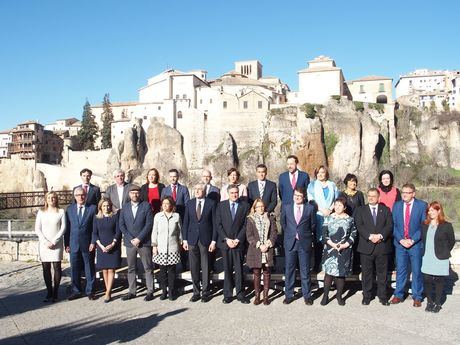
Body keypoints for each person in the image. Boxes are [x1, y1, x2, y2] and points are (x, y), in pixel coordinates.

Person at [354, 188, 393, 306]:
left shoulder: (385, 210)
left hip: (382, 247)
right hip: (366, 246)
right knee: (367, 273)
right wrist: (370, 236)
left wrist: (380, 236)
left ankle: (383, 296)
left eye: (373, 196)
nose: (371, 198)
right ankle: (367, 296)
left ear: (378, 197)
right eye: (369, 196)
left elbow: (389, 225)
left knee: (382, 274)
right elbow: (359, 225)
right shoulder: (361, 210)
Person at [391, 183, 427, 307]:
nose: (404, 194)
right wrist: (401, 240)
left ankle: (417, 296)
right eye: (403, 192)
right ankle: (398, 294)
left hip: (415, 244)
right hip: (400, 244)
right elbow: (393, 225)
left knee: (417, 270)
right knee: (401, 270)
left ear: (413, 193)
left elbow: (423, 225)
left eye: (407, 192)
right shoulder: (396, 205)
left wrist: (412, 240)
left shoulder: (422, 205)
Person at [119, 185, 155, 302]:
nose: (135, 195)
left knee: (148, 267)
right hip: (130, 243)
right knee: (131, 268)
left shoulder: (146, 206)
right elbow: (122, 225)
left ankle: (150, 291)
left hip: (143, 242)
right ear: (129, 194)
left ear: (140, 194)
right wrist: (130, 238)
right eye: (132, 193)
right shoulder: (124, 207)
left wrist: (139, 238)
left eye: (137, 193)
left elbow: (149, 224)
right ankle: (132, 291)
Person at [216, 184, 251, 304]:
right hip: (226, 243)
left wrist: (238, 239)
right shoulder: (221, 206)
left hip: (238, 243)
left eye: (236, 192)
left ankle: (241, 293)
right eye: (232, 193)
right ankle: (228, 294)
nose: (234, 195)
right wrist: (227, 239)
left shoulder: (245, 206)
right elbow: (218, 225)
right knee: (227, 269)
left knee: (239, 269)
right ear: (228, 194)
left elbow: (246, 225)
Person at [182, 183, 217, 303]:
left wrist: (213, 241)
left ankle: (205, 292)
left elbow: (215, 224)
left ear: (204, 191)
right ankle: (196, 292)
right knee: (194, 267)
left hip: (205, 239)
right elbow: (185, 222)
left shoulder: (211, 203)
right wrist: (185, 240)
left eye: (200, 189)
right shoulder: (190, 203)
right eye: (195, 189)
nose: (197, 191)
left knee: (205, 266)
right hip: (192, 240)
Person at [281, 187, 316, 305]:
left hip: (304, 243)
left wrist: (303, 234)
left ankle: (307, 295)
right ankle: (289, 295)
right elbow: (283, 223)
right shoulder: (286, 207)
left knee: (305, 270)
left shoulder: (310, 209)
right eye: (295, 195)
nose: (297, 197)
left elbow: (312, 225)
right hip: (290, 242)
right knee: (289, 270)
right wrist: (292, 234)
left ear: (304, 197)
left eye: (300, 196)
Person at [320, 197, 357, 306]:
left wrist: (345, 245)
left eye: (340, 205)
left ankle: (339, 295)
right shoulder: (328, 218)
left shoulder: (350, 219)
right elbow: (324, 234)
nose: (337, 207)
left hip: (344, 249)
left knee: (341, 275)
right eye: (336, 205)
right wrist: (331, 244)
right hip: (330, 249)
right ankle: (325, 296)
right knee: (329, 275)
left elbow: (354, 234)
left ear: (344, 207)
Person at [421, 201, 455, 313]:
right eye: (429, 210)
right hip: (427, 256)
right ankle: (430, 301)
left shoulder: (446, 226)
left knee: (439, 281)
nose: (430, 212)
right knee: (427, 280)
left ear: (439, 211)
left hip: (440, 257)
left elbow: (451, 241)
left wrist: (444, 251)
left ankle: (438, 302)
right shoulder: (425, 225)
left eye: (432, 210)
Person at [64, 187, 97, 300]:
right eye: (78, 195)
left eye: (82, 195)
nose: (80, 197)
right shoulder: (69, 209)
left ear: (86, 195)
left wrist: (93, 242)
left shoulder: (92, 209)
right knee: (74, 268)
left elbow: (94, 228)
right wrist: (66, 244)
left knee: (89, 268)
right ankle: (76, 291)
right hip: (73, 244)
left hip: (88, 244)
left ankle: (90, 291)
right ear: (74, 196)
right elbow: (67, 229)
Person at [35, 191, 66, 302]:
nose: (51, 199)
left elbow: (63, 228)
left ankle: (56, 292)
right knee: (46, 268)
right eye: (49, 198)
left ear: (56, 199)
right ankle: (49, 291)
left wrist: (54, 241)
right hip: (44, 244)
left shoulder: (61, 211)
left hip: (56, 244)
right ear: (46, 200)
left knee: (57, 267)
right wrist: (45, 241)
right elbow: (37, 229)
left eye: (53, 198)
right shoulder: (41, 212)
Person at [307, 165, 339, 272]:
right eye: (318, 173)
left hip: (330, 215)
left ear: (326, 173)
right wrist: (321, 209)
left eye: (322, 172)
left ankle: (330, 264)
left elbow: (336, 199)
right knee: (318, 241)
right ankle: (317, 265)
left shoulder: (332, 185)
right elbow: (311, 201)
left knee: (331, 240)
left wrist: (330, 209)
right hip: (318, 215)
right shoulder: (312, 185)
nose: (320, 174)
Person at [246, 199, 277, 305]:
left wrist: (268, 244)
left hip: (268, 249)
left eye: (262, 206)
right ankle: (257, 296)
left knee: (267, 272)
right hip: (256, 249)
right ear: (254, 208)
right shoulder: (250, 219)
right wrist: (260, 245)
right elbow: (249, 236)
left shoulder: (270, 217)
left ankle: (266, 297)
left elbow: (274, 233)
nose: (261, 208)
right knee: (257, 273)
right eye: (258, 207)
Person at [152, 196, 182, 301]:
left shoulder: (176, 216)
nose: (165, 205)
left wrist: (181, 243)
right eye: (163, 203)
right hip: (161, 248)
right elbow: (154, 231)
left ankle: (171, 292)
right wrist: (154, 245)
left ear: (171, 205)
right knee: (162, 271)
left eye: (167, 203)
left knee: (172, 271)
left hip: (173, 247)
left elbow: (179, 232)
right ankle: (164, 291)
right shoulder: (158, 216)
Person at [92, 198, 121, 303]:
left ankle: (108, 292)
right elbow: (94, 233)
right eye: (104, 206)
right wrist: (100, 245)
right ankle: (107, 289)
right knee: (104, 269)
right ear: (100, 207)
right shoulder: (96, 218)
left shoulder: (115, 217)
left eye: (108, 205)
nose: (106, 208)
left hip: (113, 246)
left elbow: (118, 231)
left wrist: (113, 244)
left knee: (111, 269)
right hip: (101, 247)